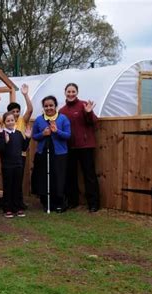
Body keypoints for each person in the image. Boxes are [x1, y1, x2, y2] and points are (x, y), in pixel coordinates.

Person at [0, 84, 33, 210]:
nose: (15, 114)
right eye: (13, 112)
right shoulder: (5, 122)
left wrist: (25, 95)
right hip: (8, 158)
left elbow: (30, 110)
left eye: (17, 111)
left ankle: (18, 203)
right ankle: (8, 205)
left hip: (20, 156)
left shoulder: (21, 120)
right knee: (9, 182)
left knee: (18, 182)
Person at [59, 83, 100, 212]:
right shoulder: (62, 111)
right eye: (68, 92)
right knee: (70, 175)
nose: (71, 94)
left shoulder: (84, 105)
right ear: (65, 93)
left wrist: (88, 113)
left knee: (89, 175)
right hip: (70, 147)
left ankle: (93, 204)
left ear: (77, 92)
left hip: (85, 146)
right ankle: (72, 201)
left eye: (73, 91)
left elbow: (93, 122)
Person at [31, 96, 71, 212]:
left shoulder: (63, 119)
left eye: (51, 105)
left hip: (59, 153)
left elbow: (68, 135)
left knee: (58, 177)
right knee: (44, 177)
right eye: (46, 106)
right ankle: (46, 202)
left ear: (55, 106)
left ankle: (59, 203)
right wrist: (43, 134)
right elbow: (34, 136)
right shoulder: (39, 119)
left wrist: (56, 131)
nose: (49, 108)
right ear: (43, 107)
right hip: (43, 152)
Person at [0, 111, 31, 218]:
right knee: (8, 187)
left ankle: (17, 207)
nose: (10, 122)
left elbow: (24, 148)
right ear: (4, 122)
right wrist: (4, 140)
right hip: (7, 166)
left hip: (18, 164)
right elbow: (0, 149)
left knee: (17, 187)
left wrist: (28, 138)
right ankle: (7, 208)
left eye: (12, 120)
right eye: (8, 121)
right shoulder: (2, 134)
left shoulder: (19, 133)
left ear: (15, 121)